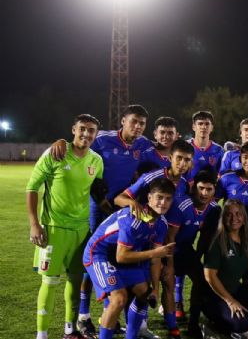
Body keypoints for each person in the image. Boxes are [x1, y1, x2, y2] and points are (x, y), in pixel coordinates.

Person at [50, 105, 155, 338]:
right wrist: (61, 141)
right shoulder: (103, 139)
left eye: (142, 123)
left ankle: (109, 312)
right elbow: (80, 146)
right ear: (123, 121)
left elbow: (162, 151)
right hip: (99, 208)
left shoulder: (143, 144)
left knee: (114, 258)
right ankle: (83, 316)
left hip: (124, 209)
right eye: (133, 121)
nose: (137, 127)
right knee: (94, 257)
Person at [27, 114, 104, 339]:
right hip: (53, 229)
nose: (86, 134)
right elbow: (32, 188)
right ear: (73, 129)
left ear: (95, 134)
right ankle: (42, 335)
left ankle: (69, 330)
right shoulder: (56, 153)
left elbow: (97, 193)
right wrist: (34, 224)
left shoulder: (96, 161)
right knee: (50, 282)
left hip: (81, 231)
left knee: (75, 281)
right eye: (82, 129)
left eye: (91, 130)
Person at [113, 139, 193, 339]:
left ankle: (162, 326)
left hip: (162, 240)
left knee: (165, 279)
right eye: (179, 158)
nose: (182, 164)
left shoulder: (184, 184)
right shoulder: (154, 177)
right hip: (140, 238)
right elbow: (119, 198)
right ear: (170, 158)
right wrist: (134, 204)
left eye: (187, 160)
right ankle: (134, 326)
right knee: (140, 285)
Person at [82, 177, 177, 339]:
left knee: (143, 292)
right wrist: (156, 253)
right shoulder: (134, 218)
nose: (163, 203)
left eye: (168, 199)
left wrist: (155, 288)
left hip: (123, 255)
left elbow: (155, 260)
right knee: (119, 299)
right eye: (159, 197)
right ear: (149, 198)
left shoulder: (161, 223)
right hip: (99, 254)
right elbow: (122, 256)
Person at [203, 200, 248, 338]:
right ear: (223, 218)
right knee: (241, 324)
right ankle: (213, 327)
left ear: (244, 218)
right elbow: (210, 276)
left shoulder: (242, 238)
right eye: (229, 215)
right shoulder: (218, 241)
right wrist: (231, 301)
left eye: (238, 214)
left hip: (235, 290)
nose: (234, 218)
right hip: (215, 298)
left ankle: (243, 326)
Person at [163, 170, 221, 338]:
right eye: (201, 188)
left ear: (214, 190)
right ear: (193, 188)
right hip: (165, 248)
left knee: (201, 279)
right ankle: (169, 323)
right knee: (166, 281)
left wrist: (197, 257)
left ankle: (193, 323)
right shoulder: (182, 205)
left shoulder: (214, 208)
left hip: (186, 249)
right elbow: (169, 237)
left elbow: (206, 236)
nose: (204, 193)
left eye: (209, 189)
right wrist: (170, 265)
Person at [187, 110, 224, 179]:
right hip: (187, 189)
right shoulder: (185, 146)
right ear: (193, 127)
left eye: (207, 124)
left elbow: (221, 175)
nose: (204, 127)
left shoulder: (218, 150)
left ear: (212, 127)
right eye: (200, 124)